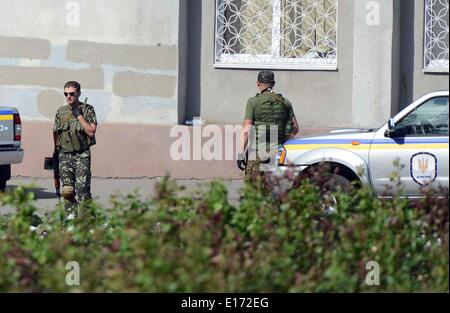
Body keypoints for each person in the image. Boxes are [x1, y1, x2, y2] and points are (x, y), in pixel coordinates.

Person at [237, 71, 299, 180]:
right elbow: (295, 128)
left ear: (257, 83)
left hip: (257, 155)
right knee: (274, 191)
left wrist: (241, 154)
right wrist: (283, 142)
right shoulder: (286, 102)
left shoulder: (253, 102)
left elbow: (247, 130)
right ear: (273, 83)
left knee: (254, 193)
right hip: (277, 155)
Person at [53, 81, 97, 216]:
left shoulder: (88, 109)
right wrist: (55, 153)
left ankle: (87, 219)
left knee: (82, 188)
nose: (68, 97)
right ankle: (71, 218)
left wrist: (79, 115)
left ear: (78, 93)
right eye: (66, 94)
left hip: (81, 155)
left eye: (72, 94)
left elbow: (91, 132)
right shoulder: (61, 112)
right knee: (67, 190)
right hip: (65, 155)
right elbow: (56, 133)